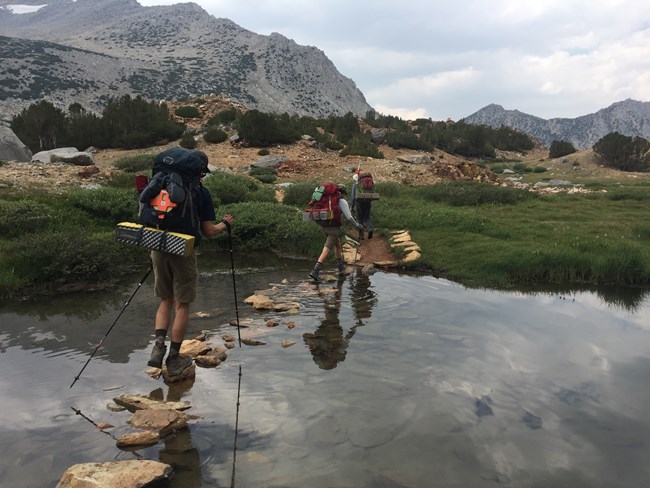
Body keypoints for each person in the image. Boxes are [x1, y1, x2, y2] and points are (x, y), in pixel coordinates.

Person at [147, 150, 234, 377]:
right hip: (183, 249)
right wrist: (225, 223)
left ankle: (158, 348)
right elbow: (209, 231)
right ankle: (174, 357)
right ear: (200, 170)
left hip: (157, 245)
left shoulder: (161, 184)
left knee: (165, 299)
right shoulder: (200, 192)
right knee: (183, 304)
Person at [308, 184, 362, 283]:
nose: (345, 196)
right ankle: (315, 271)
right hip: (333, 230)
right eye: (345, 194)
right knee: (326, 250)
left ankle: (341, 268)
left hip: (324, 227)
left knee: (337, 245)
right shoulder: (342, 202)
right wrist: (358, 226)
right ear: (342, 193)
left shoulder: (329, 200)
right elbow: (349, 217)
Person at [351, 170, 373, 240]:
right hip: (368, 202)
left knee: (359, 219)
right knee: (367, 217)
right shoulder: (371, 182)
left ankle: (361, 235)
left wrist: (352, 206)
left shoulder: (355, 185)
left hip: (359, 203)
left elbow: (353, 197)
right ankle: (369, 229)